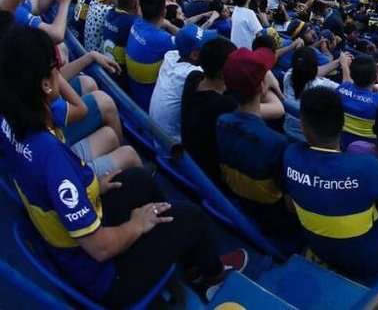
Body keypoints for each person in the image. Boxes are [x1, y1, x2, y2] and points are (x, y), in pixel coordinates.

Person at [0, 25, 247, 306]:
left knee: (138, 179)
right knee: (193, 216)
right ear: (45, 82)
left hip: (76, 234)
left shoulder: (14, 117)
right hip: (106, 276)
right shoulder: (49, 156)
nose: (61, 69)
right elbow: (100, 248)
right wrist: (137, 225)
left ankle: (189, 260)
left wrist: (89, 186)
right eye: (55, 65)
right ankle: (213, 278)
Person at [284, 86, 378, 280]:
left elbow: (290, 204)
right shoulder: (367, 167)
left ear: (303, 127)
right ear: (343, 122)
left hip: (318, 248)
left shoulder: (290, 155)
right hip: (370, 263)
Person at [216, 46, 298, 237]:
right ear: (262, 86)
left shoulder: (221, 121)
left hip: (241, 202)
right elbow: (288, 197)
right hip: (275, 218)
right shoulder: (276, 143)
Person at [180, 37, 238, 184]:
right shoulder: (224, 104)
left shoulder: (193, 78)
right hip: (209, 174)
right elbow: (275, 109)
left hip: (190, 159)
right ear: (222, 72)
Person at [150, 23, 218, 138]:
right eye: (206, 46)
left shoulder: (170, 56)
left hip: (158, 134)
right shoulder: (191, 74)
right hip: (173, 147)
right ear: (195, 55)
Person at [124, 0, 176, 111]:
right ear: (164, 13)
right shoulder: (164, 39)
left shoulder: (136, 23)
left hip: (133, 92)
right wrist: (170, 25)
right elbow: (187, 41)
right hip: (150, 104)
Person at [282, 47, 343, 141]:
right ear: (315, 66)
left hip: (288, 130)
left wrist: (338, 62)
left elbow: (311, 70)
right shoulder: (321, 85)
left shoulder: (288, 75)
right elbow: (346, 92)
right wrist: (346, 67)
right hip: (310, 139)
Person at [337, 53, 378, 149]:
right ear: (375, 78)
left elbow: (347, 83)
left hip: (340, 146)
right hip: (367, 152)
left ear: (352, 75)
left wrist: (344, 65)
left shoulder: (340, 90)